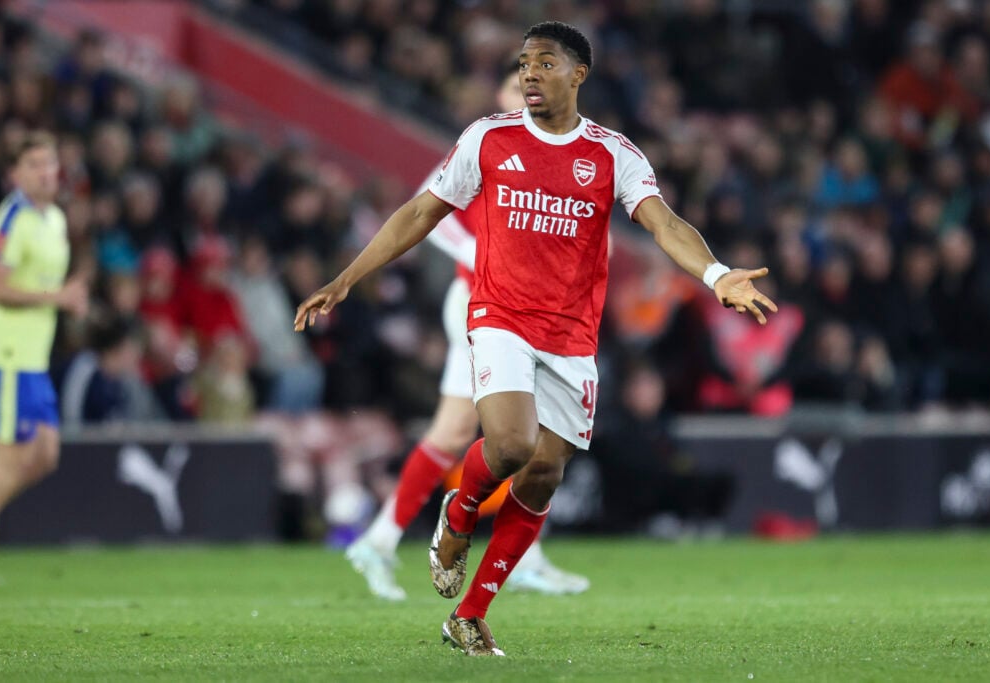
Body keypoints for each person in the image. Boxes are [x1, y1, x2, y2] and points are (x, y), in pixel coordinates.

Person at [295, 22, 775, 656]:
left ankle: (467, 615)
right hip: (498, 316)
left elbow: (664, 224)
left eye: (543, 63)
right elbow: (421, 212)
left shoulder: (612, 154)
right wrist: (348, 277)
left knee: (545, 474)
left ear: (577, 74)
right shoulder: (488, 139)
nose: (528, 74)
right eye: (523, 63)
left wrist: (715, 275)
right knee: (513, 444)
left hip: (572, 338)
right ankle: (459, 513)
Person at [344, 70, 589, 601]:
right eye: (516, 91)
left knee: (456, 433)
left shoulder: (551, 153)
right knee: (524, 433)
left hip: (517, 309)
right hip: (488, 307)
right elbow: (432, 215)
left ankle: (380, 540)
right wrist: (487, 258)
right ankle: (521, 558)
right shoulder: (487, 143)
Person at [0, 131, 88, 585]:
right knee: (11, 461)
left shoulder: (55, 219)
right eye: (35, 165)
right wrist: (58, 296)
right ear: (14, 175)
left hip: (34, 360)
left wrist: (67, 299)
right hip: (6, 356)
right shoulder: (10, 222)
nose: (47, 172)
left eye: (50, 163)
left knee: (44, 457)